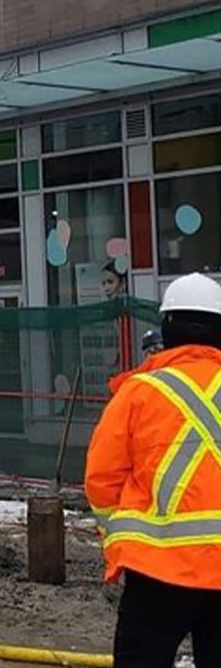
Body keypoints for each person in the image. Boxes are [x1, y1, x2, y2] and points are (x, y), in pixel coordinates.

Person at [86, 272, 221, 668]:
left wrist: (120, 537)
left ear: (166, 326)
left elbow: (101, 480)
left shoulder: (138, 392)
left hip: (156, 574)